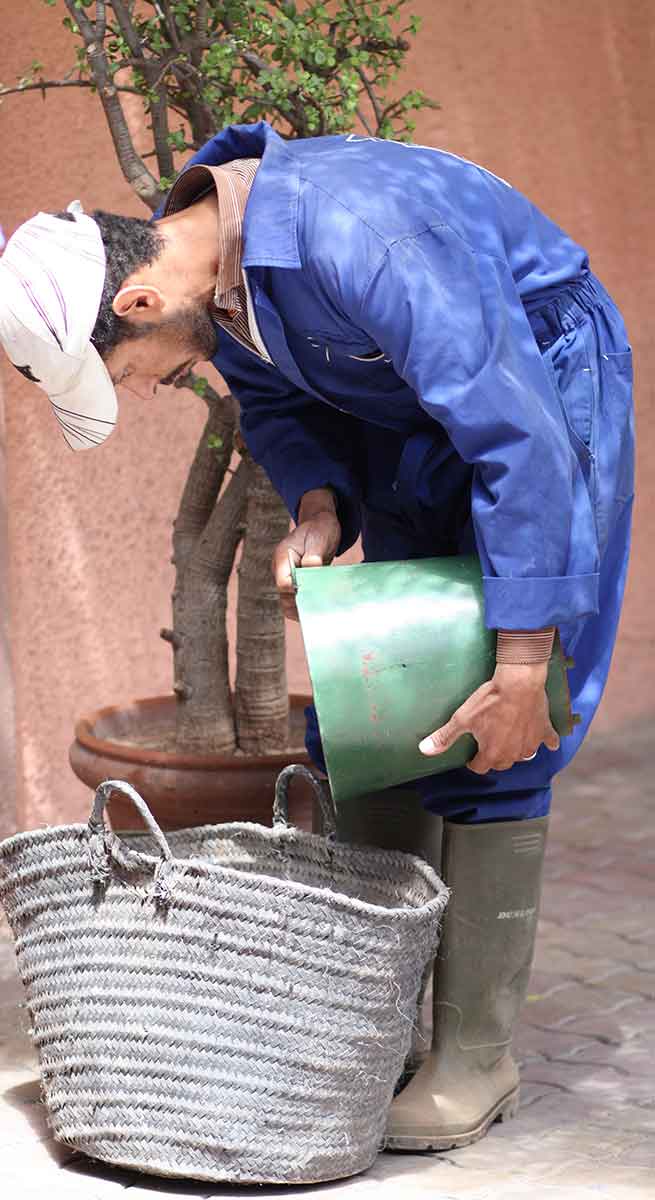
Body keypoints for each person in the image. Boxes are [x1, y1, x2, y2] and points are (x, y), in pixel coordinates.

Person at [0, 122, 634, 1151]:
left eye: (129, 372)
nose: (147, 386)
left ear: (138, 302)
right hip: (410, 408)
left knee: (500, 718)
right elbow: (270, 394)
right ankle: (378, 1022)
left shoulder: (362, 241)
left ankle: (476, 1054)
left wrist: (522, 657)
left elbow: (515, 438)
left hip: (535, 388)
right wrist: (318, 508)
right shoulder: (213, 269)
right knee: (384, 692)